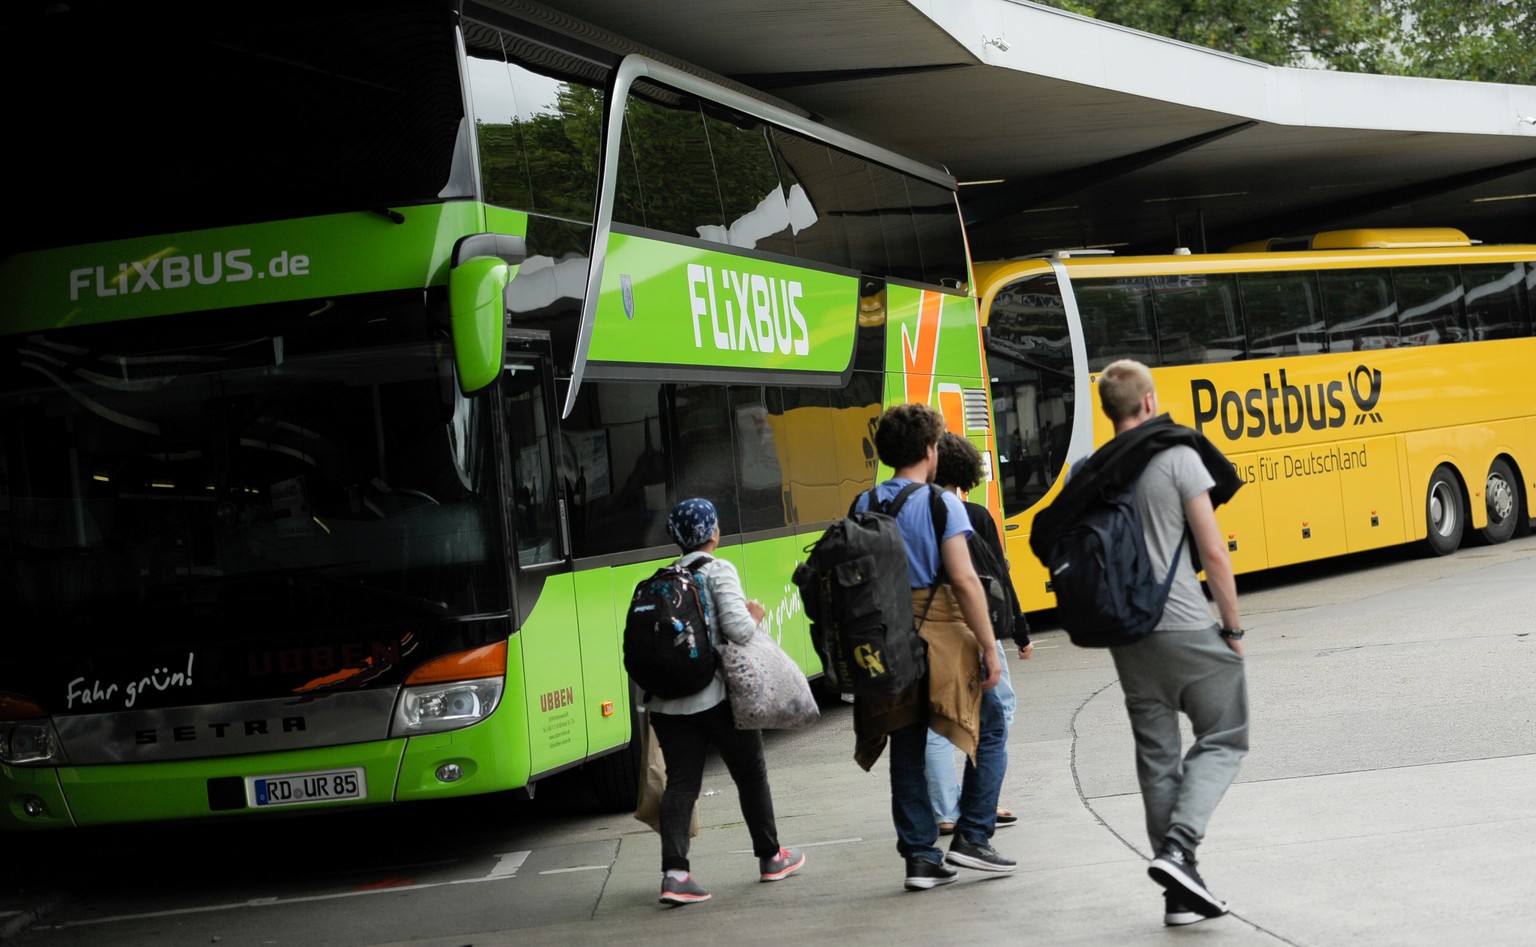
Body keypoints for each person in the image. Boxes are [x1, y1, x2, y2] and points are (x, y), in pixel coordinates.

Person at [1091, 360, 1248, 926]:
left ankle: (1180, 894)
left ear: (1109, 410)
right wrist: (1231, 629)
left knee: (1157, 759)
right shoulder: (1178, 457)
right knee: (1225, 734)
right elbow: (1214, 554)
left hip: (1128, 638)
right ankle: (1181, 847)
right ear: (1150, 402)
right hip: (1184, 624)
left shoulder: (1094, 468)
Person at [850, 403, 1009, 892]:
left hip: (883, 637)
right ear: (929, 450)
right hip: (939, 631)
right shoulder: (943, 504)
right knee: (993, 725)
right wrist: (988, 646)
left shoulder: (863, 504)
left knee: (906, 741)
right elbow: (963, 579)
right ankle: (974, 834)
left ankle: (920, 856)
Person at [647, 498, 805, 906]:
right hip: (715, 698)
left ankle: (676, 874)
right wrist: (754, 615)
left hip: (667, 704)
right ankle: (771, 857)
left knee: (682, 783)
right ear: (713, 533)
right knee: (751, 774)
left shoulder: (660, 578)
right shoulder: (719, 570)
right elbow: (737, 630)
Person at [925, 432, 1034, 835]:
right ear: (968, 473)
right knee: (997, 711)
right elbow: (998, 580)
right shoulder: (973, 515)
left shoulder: (913, 512)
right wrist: (1019, 633)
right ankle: (981, 799)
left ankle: (945, 811)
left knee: (938, 720)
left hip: (929, 630)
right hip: (973, 628)